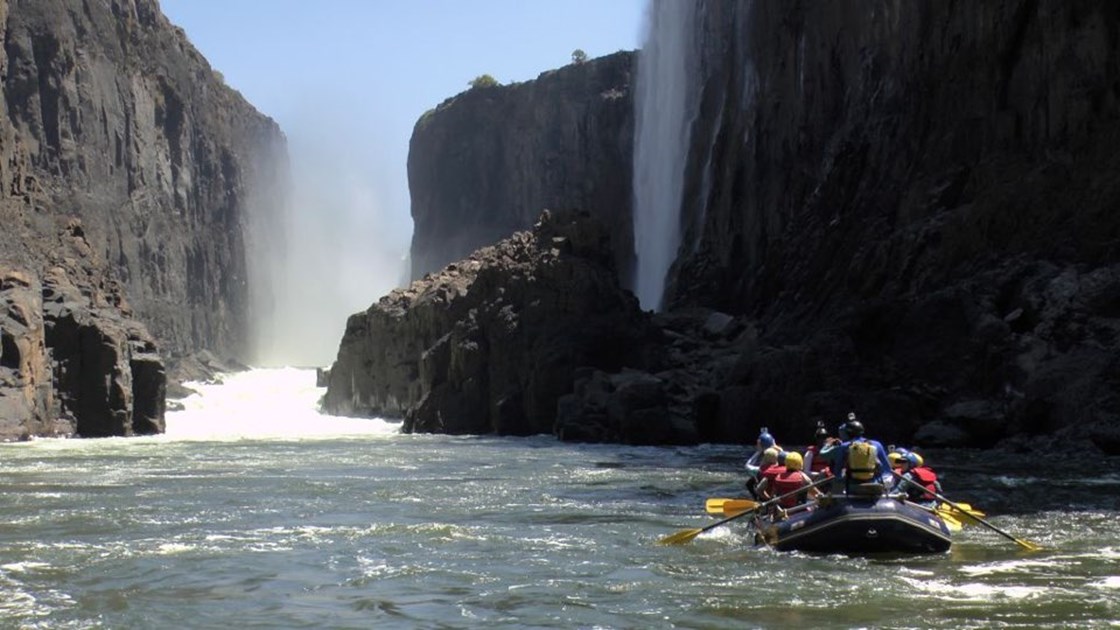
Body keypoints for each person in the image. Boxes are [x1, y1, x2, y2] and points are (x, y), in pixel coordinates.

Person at [821, 412, 893, 494]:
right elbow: (887, 469)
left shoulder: (844, 446)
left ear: (847, 433)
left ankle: (834, 502)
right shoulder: (877, 444)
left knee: (836, 483)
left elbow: (837, 472)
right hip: (874, 483)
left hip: (852, 484)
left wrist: (828, 444)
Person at [744, 428, 781, 497]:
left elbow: (747, 466)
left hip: (766, 497)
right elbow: (784, 454)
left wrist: (758, 452)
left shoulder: (760, 470)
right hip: (778, 497)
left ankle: (756, 499)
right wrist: (775, 445)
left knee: (750, 482)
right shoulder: (783, 466)